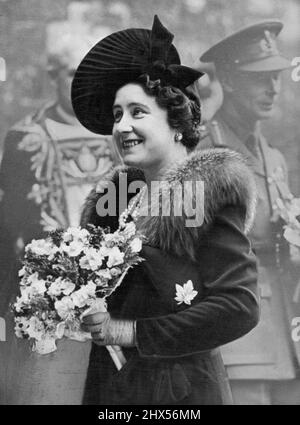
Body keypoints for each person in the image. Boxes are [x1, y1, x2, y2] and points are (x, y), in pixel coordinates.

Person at [71, 15, 259, 405]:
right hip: (112, 385)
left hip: (180, 388)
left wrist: (129, 332)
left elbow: (238, 307)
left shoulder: (207, 192)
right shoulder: (116, 198)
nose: (122, 126)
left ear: (176, 122)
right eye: (117, 115)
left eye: (138, 113)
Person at [0, 24, 118, 404]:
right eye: (73, 73)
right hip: (49, 302)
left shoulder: (122, 136)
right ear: (54, 75)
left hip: (116, 299)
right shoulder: (26, 137)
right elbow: (12, 227)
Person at [199, 21, 300, 404]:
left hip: (286, 333)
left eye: (276, 76)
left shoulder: (272, 156)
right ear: (230, 82)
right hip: (239, 338)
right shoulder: (205, 154)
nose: (273, 88)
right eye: (260, 78)